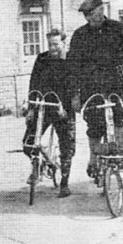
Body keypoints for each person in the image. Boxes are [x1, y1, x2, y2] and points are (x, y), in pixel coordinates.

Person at [67, 0, 123, 178]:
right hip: (90, 88)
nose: (89, 19)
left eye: (93, 14)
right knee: (94, 124)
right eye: (87, 16)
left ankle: (119, 153)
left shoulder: (117, 29)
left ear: (102, 11)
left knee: (120, 116)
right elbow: (72, 67)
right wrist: (74, 95)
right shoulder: (80, 35)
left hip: (114, 86)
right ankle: (93, 158)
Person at [22, 29, 76, 198]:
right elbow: (34, 83)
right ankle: (40, 165)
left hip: (63, 108)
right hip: (43, 106)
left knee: (67, 146)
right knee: (28, 143)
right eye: (50, 44)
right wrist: (31, 107)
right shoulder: (42, 59)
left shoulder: (71, 60)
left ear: (63, 43)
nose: (52, 48)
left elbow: (75, 84)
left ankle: (64, 184)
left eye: (56, 44)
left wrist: (67, 106)